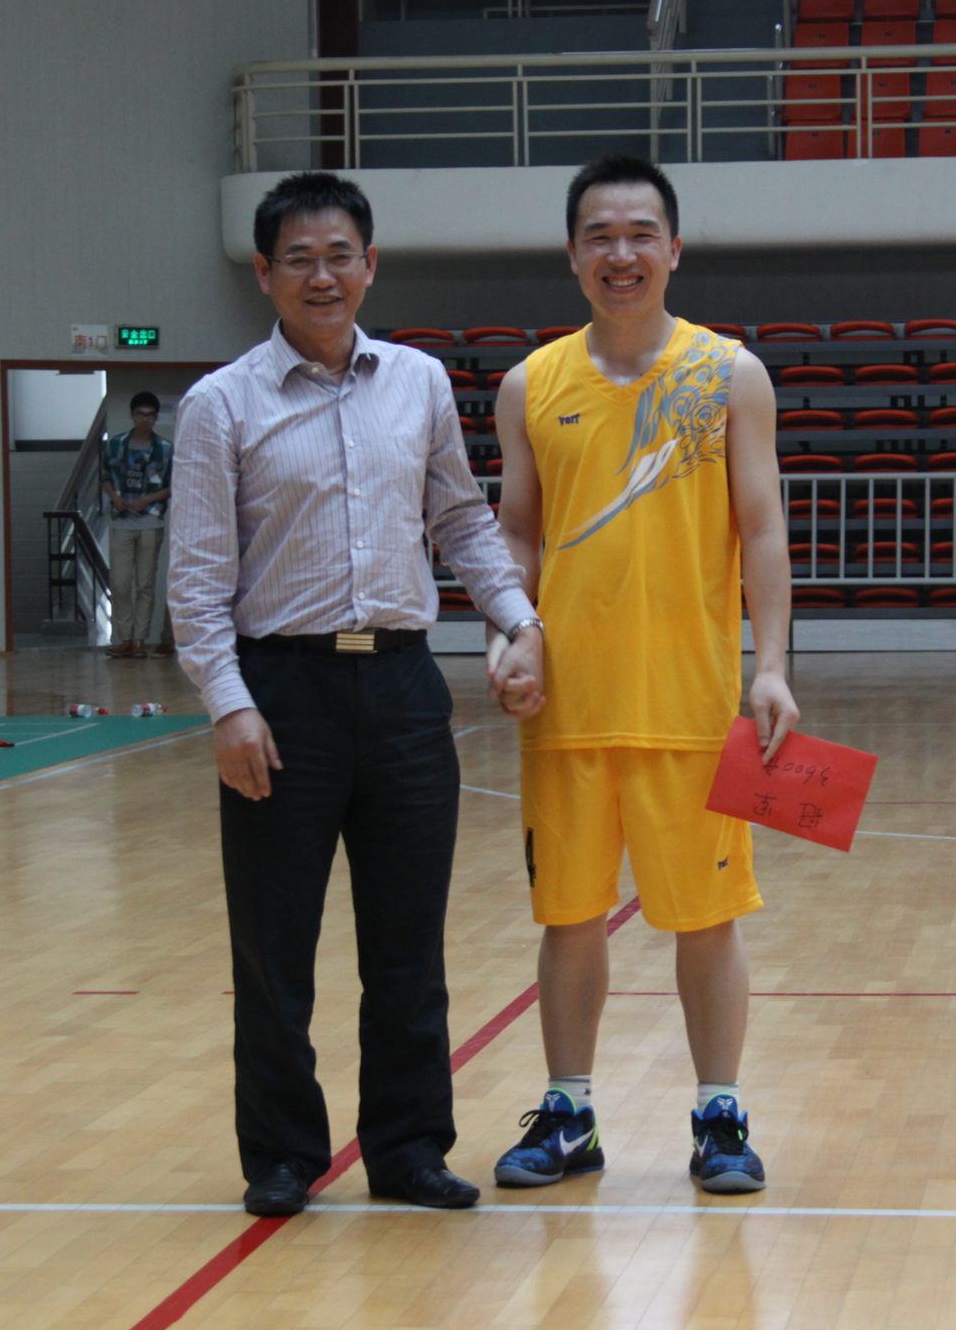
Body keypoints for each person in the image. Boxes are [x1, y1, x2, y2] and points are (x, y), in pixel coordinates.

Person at [166, 172, 547, 1219]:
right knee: (273, 946)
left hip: (403, 688)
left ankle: (409, 1149)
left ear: (370, 265)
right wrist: (228, 704)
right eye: (299, 259)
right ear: (264, 274)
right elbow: (196, 578)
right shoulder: (220, 405)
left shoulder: (418, 383)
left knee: (407, 944)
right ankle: (284, 1153)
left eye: (340, 256)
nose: (322, 276)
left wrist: (520, 621)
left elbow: (461, 520)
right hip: (281, 692)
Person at [487, 156, 799, 1196]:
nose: (620, 253)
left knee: (708, 920)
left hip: (692, 704)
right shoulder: (529, 385)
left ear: (673, 248)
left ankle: (720, 1116)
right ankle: (568, 1113)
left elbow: (762, 530)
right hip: (566, 706)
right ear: (572, 253)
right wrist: (510, 631)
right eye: (599, 235)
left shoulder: (730, 375)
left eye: (639, 233)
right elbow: (516, 532)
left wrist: (772, 668)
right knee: (568, 917)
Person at [101, 391, 172, 658]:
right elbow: (105, 476)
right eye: (140, 414)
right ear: (132, 416)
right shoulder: (116, 444)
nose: (145, 419)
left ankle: (140, 639)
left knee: (145, 583)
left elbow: (172, 485)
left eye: (150, 415)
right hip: (121, 520)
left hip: (151, 520)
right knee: (120, 583)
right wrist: (114, 497)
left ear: (156, 418)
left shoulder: (165, 448)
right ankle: (124, 637)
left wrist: (147, 500)